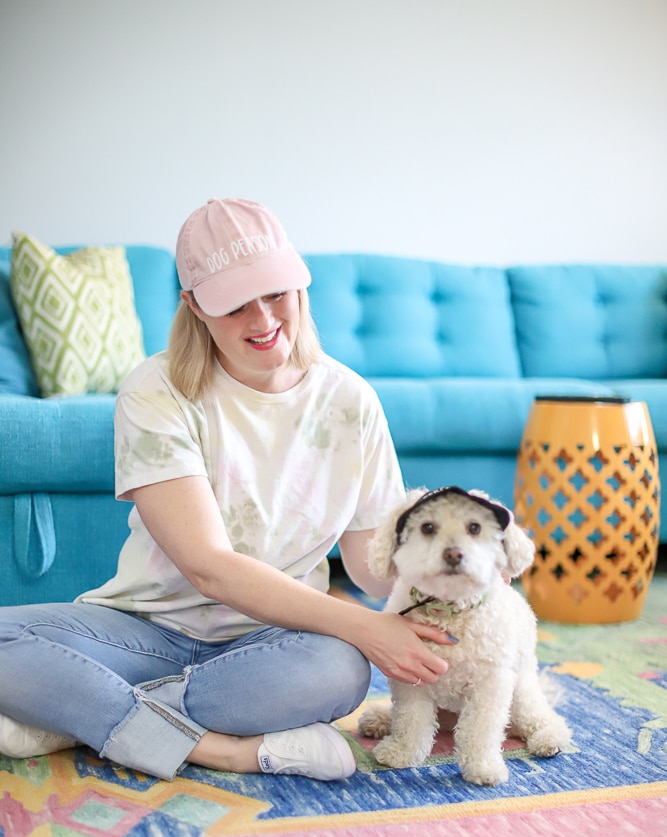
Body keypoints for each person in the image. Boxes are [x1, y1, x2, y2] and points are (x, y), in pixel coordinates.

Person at [0, 198, 452, 782]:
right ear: (194, 307)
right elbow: (208, 567)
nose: (263, 321)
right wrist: (363, 624)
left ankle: (77, 715)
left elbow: (369, 569)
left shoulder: (351, 401)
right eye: (234, 306)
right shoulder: (155, 390)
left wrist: (446, 556)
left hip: (279, 643)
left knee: (342, 669)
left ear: (299, 283)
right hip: (148, 631)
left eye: (276, 293)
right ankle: (223, 749)